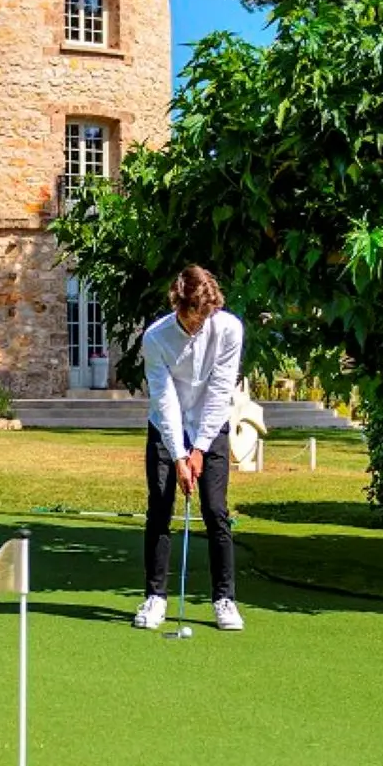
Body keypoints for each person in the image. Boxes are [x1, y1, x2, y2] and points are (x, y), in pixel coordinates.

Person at [134, 265, 245, 632]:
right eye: (192, 315)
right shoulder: (156, 338)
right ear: (177, 305)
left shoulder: (228, 329)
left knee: (216, 510)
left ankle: (224, 599)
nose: (199, 323)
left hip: (211, 426)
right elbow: (164, 401)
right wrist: (180, 455)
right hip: (166, 429)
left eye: (205, 314)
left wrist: (198, 449)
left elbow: (220, 391)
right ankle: (155, 598)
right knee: (160, 508)